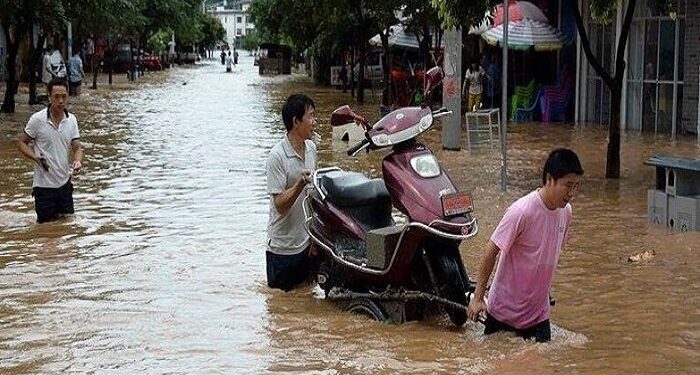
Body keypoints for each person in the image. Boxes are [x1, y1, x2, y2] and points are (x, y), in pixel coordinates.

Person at [467, 148, 583, 343]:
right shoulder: (521, 211)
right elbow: (490, 251)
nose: (572, 193)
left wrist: (543, 289)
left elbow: (550, 254)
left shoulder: (566, 212)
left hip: (538, 316)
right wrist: (478, 299)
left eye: (576, 186)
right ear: (549, 179)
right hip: (503, 314)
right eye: (568, 185)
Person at [265, 94, 318, 291]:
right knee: (281, 310)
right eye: (311, 117)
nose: (314, 122)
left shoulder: (311, 148)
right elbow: (279, 204)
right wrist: (298, 185)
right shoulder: (277, 156)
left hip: (306, 245)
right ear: (296, 122)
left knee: (305, 305)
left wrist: (315, 237)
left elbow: (313, 196)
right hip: (282, 250)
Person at [16, 78, 83, 224]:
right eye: (56, 97)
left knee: (68, 231)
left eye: (64, 97)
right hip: (43, 188)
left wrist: (77, 161)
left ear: (68, 97)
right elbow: (21, 142)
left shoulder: (72, 120)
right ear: (49, 97)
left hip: (65, 185)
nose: (60, 101)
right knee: (46, 234)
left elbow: (77, 147)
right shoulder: (37, 119)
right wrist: (35, 158)